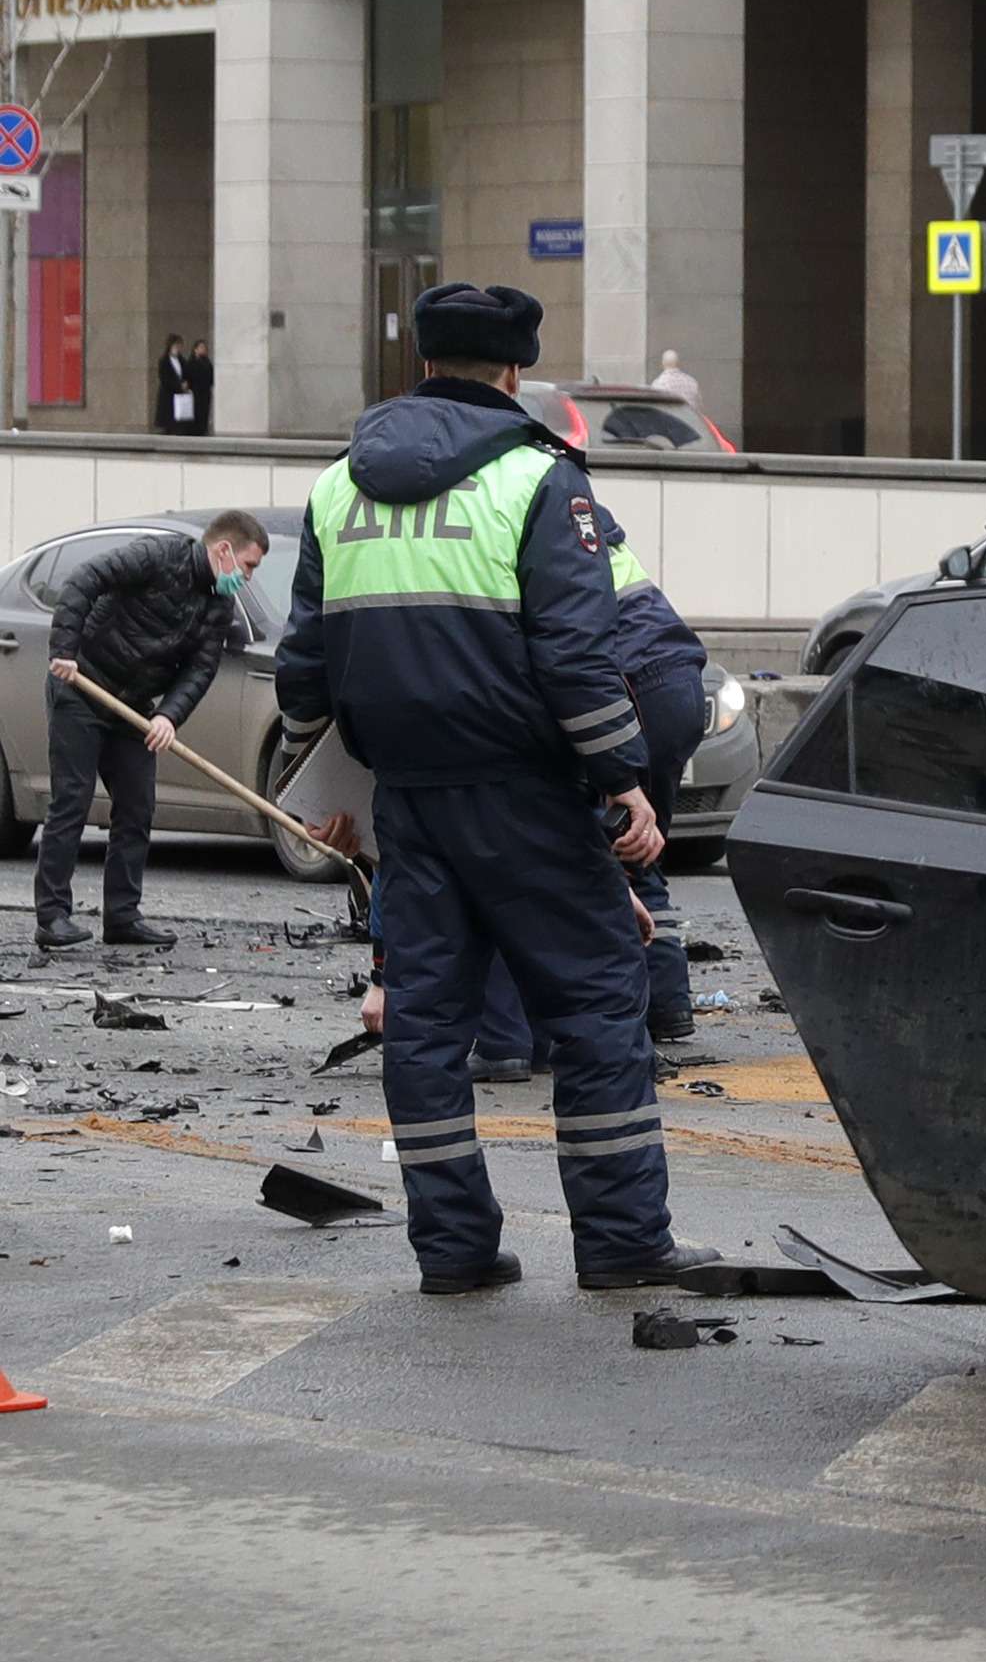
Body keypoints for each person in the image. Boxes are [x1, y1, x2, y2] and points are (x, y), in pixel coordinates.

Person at [273, 280, 714, 1297]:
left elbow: (304, 668)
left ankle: (457, 1250)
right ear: (514, 371)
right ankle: (620, 1239)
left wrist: (312, 784)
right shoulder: (539, 479)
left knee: (426, 1028)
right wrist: (623, 783)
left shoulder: (338, 484)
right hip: (526, 796)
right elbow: (574, 656)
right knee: (603, 999)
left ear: (420, 361)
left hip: (410, 801)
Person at [467, 503, 710, 1082]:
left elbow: (562, 655)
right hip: (679, 679)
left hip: (618, 686)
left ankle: (533, 1037)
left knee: (537, 853)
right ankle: (664, 1002)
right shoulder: (579, 518)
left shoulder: (510, 518)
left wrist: (614, 775)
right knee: (635, 852)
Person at [35, 511, 269, 949]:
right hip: (82, 686)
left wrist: (169, 716)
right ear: (224, 550)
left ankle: (122, 917)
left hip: (132, 708)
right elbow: (87, 578)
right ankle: (52, 917)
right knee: (72, 801)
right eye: (249, 566)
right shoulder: (159, 556)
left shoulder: (218, 603)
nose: (248, 577)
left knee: (138, 808)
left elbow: (201, 668)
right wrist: (64, 649)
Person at [153, 338, 191, 434]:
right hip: (168, 394)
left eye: (179, 346)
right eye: (176, 346)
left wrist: (186, 383)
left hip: (179, 394)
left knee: (179, 422)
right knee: (168, 421)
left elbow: (186, 374)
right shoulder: (164, 361)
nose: (178, 348)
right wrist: (178, 386)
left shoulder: (182, 360)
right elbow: (164, 378)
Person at [184, 340, 217, 437]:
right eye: (201, 348)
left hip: (205, 392)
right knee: (195, 413)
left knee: (204, 413)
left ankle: (203, 430)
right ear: (195, 349)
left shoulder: (207, 363)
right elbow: (187, 377)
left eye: (204, 348)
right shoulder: (190, 363)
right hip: (194, 392)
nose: (203, 350)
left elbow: (211, 377)